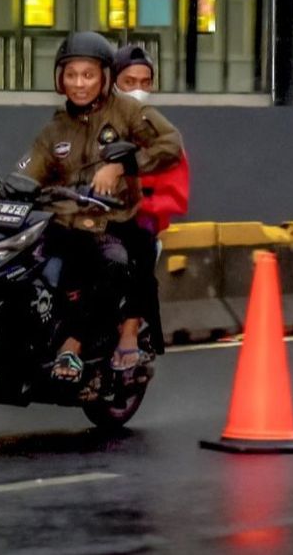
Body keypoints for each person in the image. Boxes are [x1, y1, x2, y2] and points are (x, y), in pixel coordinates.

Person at [0, 32, 183, 382]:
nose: (79, 83)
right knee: (11, 260)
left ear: (104, 77)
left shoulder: (129, 112)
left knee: (112, 265)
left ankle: (72, 347)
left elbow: (170, 143)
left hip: (111, 220)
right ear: (60, 79)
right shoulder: (55, 128)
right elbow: (25, 174)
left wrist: (122, 165)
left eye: (88, 75)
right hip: (63, 222)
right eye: (71, 75)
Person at [109, 45, 191, 354]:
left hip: (139, 216)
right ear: (114, 81)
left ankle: (130, 330)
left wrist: (141, 205)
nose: (139, 90)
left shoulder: (158, 131)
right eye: (130, 82)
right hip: (92, 212)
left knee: (139, 246)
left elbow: (173, 186)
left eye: (145, 82)